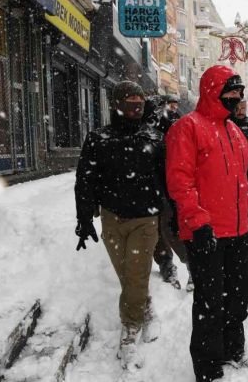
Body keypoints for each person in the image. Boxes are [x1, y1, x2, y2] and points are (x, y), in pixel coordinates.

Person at [165, 65, 248, 382]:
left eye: (240, 93)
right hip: (206, 233)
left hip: (237, 232)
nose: (237, 98)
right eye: (231, 92)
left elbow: (242, 182)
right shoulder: (187, 128)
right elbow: (180, 181)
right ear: (213, 93)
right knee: (210, 300)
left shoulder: (235, 132)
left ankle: (233, 348)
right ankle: (207, 366)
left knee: (238, 293)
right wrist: (197, 221)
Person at [74, 81, 165, 370]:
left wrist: (174, 212)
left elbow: (168, 180)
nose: (135, 104)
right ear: (116, 104)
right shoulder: (98, 138)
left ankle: (129, 333)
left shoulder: (154, 137)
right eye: (129, 99)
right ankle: (145, 306)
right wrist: (84, 217)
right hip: (112, 218)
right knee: (128, 275)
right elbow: (85, 180)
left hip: (145, 219)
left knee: (136, 275)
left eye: (139, 100)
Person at [140, 97, 193, 291]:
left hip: (166, 187)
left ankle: (191, 266)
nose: (157, 113)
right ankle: (166, 265)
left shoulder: (172, 126)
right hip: (147, 189)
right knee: (156, 231)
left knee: (172, 228)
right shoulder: (140, 130)